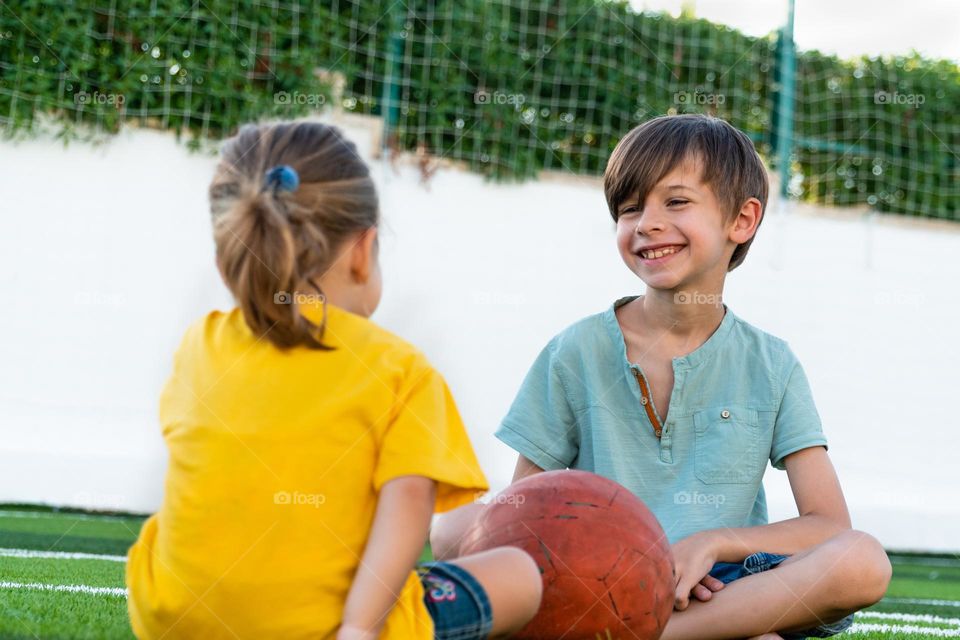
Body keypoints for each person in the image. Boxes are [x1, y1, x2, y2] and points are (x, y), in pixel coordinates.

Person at [431, 114, 891, 640]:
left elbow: (829, 525)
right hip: (595, 573)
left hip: (724, 580)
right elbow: (530, 505)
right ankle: (691, 627)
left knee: (862, 560)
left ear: (741, 220)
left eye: (675, 202)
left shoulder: (773, 363)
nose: (646, 223)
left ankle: (657, 631)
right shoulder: (573, 351)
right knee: (452, 529)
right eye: (630, 209)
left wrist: (711, 543)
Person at [126, 120, 542, 639]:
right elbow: (409, 506)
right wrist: (358, 628)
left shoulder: (198, 345)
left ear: (226, 259)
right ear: (364, 251)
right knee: (520, 575)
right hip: (320, 628)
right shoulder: (400, 368)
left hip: (172, 619)